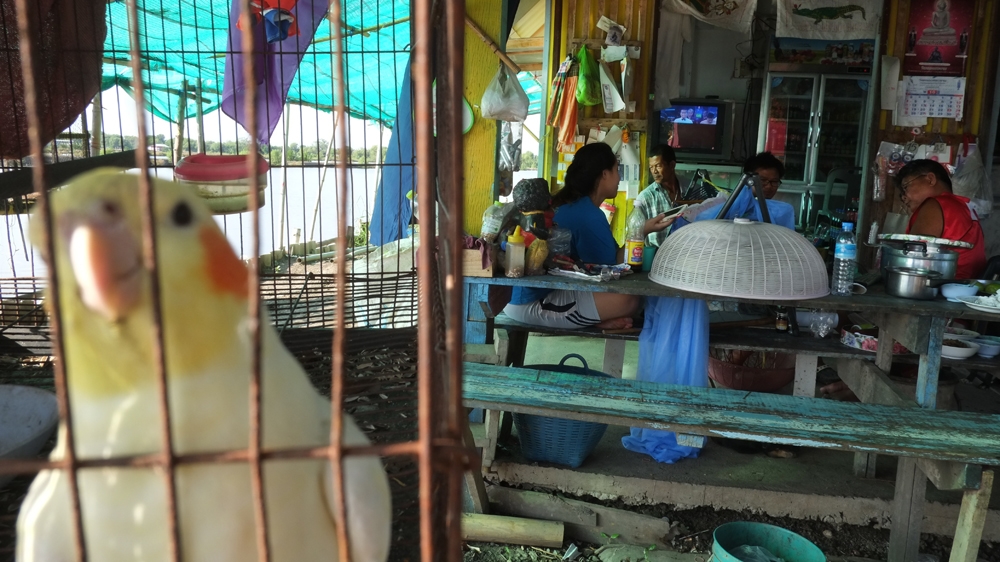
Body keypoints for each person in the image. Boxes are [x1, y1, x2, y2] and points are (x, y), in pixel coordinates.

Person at [504, 143, 665, 330]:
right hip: (529, 302)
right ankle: (594, 322)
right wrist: (640, 232)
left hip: (522, 297)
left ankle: (594, 320)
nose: (619, 177)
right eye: (616, 170)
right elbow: (614, 268)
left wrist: (641, 230)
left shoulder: (569, 203)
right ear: (604, 174)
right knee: (628, 299)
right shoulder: (589, 215)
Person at [897, 159, 986, 278]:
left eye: (906, 187)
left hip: (945, 284)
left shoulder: (935, 205)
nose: (903, 197)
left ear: (930, 179)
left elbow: (913, 260)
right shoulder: (965, 206)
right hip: (969, 284)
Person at [634, 144, 682, 248]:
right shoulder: (645, 198)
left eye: (658, 166)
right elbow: (634, 234)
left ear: (672, 165)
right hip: (656, 255)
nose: (654, 171)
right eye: (651, 167)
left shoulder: (688, 189)